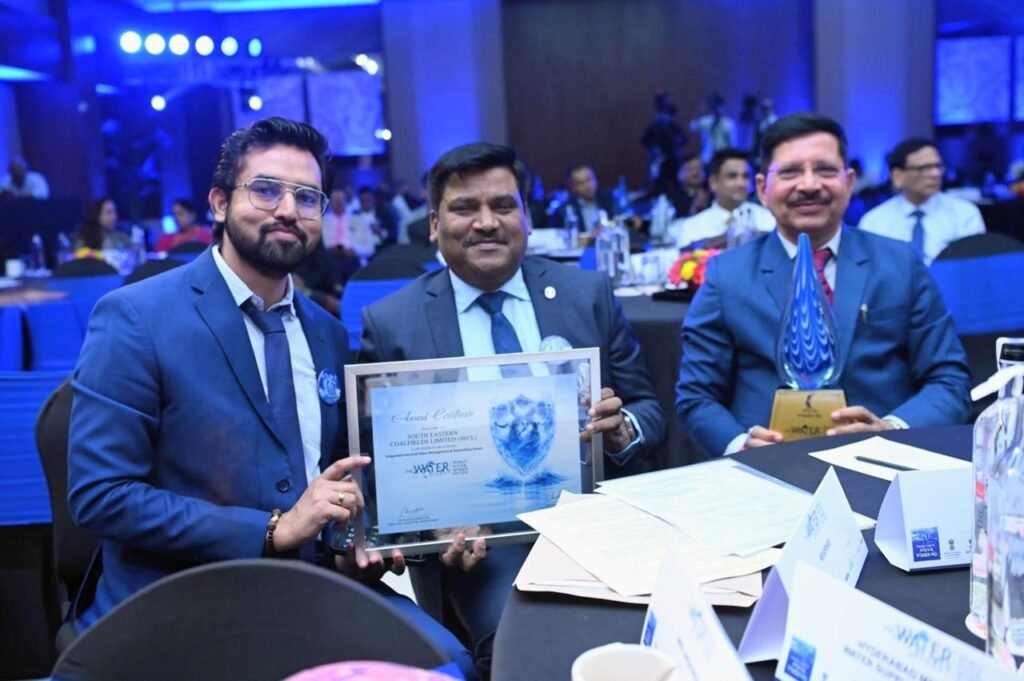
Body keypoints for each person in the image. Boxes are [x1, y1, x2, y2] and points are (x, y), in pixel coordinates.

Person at [66, 117, 476, 679]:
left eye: (307, 197)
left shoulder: (326, 332)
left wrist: (365, 536)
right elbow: (101, 495)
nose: (287, 209)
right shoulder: (136, 318)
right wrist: (269, 529)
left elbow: (331, 478)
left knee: (448, 664)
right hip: (178, 591)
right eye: (265, 190)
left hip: (309, 585)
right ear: (219, 203)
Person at [359, 142, 665, 678]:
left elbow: (648, 409)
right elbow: (380, 473)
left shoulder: (586, 293)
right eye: (464, 208)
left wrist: (622, 431)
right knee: (529, 643)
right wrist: (431, 527)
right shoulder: (393, 324)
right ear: (433, 224)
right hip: (487, 544)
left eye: (503, 206)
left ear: (526, 216)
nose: (486, 223)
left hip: (598, 520)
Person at [676, 113, 972, 458]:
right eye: (790, 172)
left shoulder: (900, 263)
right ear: (762, 188)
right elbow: (696, 397)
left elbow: (949, 379)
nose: (809, 185)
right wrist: (741, 445)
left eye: (825, 170)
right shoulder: (727, 275)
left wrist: (892, 430)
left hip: (882, 464)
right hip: (766, 469)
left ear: (849, 181)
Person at [857, 138, 986, 264]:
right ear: (898, 176)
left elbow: (975, 266)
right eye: (924, 168)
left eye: (938, 166)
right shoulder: (874, 222)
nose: (935, 174)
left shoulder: (964, 214)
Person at [668, 148, 775, 248]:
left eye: (745, 176)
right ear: (713, 182)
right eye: (732, 176)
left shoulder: (769, 220)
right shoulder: (691, 228)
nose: (741, 183)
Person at [553, 164, 615, 233]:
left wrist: (609, 227)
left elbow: (617, 222)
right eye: (581, 183)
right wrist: (590, 237)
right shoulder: (565, 210)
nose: (587, 186)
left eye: (589, 179)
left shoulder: (609, 199)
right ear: (573, 187)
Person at [689, 93, 737, 164]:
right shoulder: (707, 121)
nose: (718, 110)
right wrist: (699, 113)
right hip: (707, 158)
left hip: (722, 158)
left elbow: (733, 144)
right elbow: (692, 127)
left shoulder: (729, 123)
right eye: (715, 107)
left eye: (720, 107)